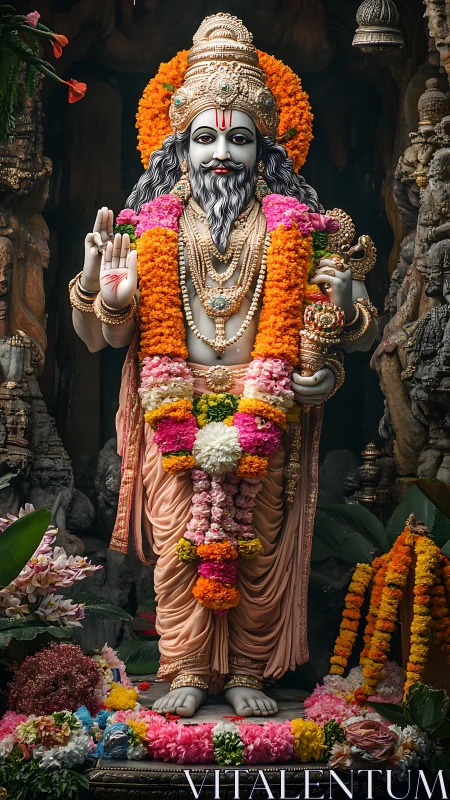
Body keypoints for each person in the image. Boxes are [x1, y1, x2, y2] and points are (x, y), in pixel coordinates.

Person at [71, 13, 377, 718]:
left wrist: (327, 361)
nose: (220, 154)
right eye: (204, 138)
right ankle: (185, 666)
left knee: (257, 544)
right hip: (170, 404)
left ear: (263, 149)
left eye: (238, 138)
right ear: (179, 148)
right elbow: (100, 337)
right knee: (184, 542)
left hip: (265, 407)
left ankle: (246, 671)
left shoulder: (294, 226)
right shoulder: (149, 228)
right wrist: (109, 296)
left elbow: (348, 333)